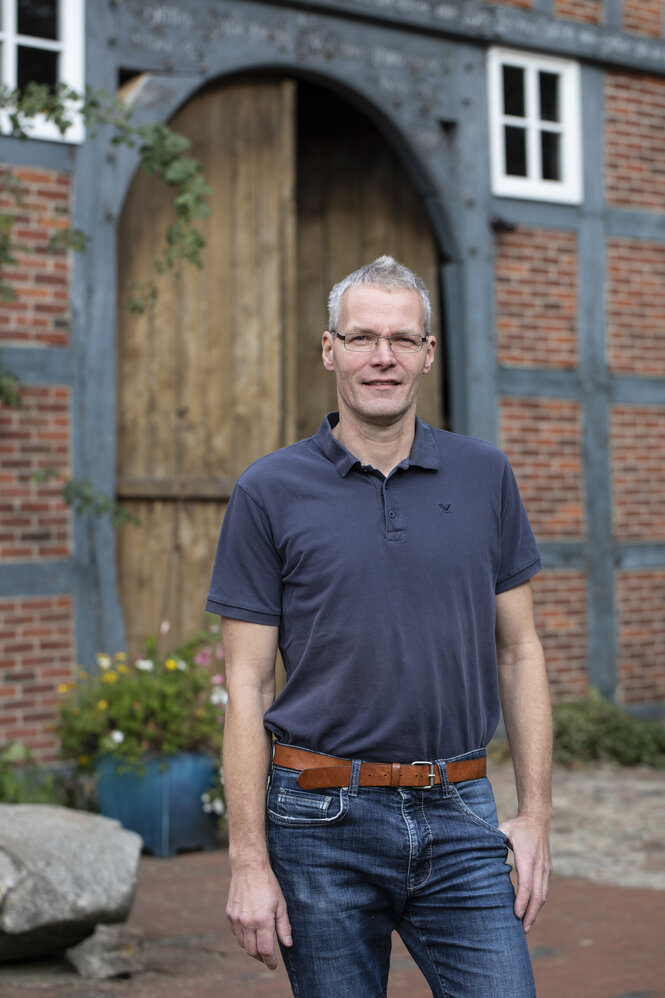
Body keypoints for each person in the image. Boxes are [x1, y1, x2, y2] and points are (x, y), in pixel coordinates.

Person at [206, 255, 552, 997]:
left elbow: (520, 652)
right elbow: (245, 681)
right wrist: (247, 862)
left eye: (402, 339)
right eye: (362, 337)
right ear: (329, 349)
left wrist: (534, 815)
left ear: (429, 353)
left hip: (460, 811)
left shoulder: (483, 475)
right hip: (316, 819)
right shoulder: (268, 491)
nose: (382, 357)